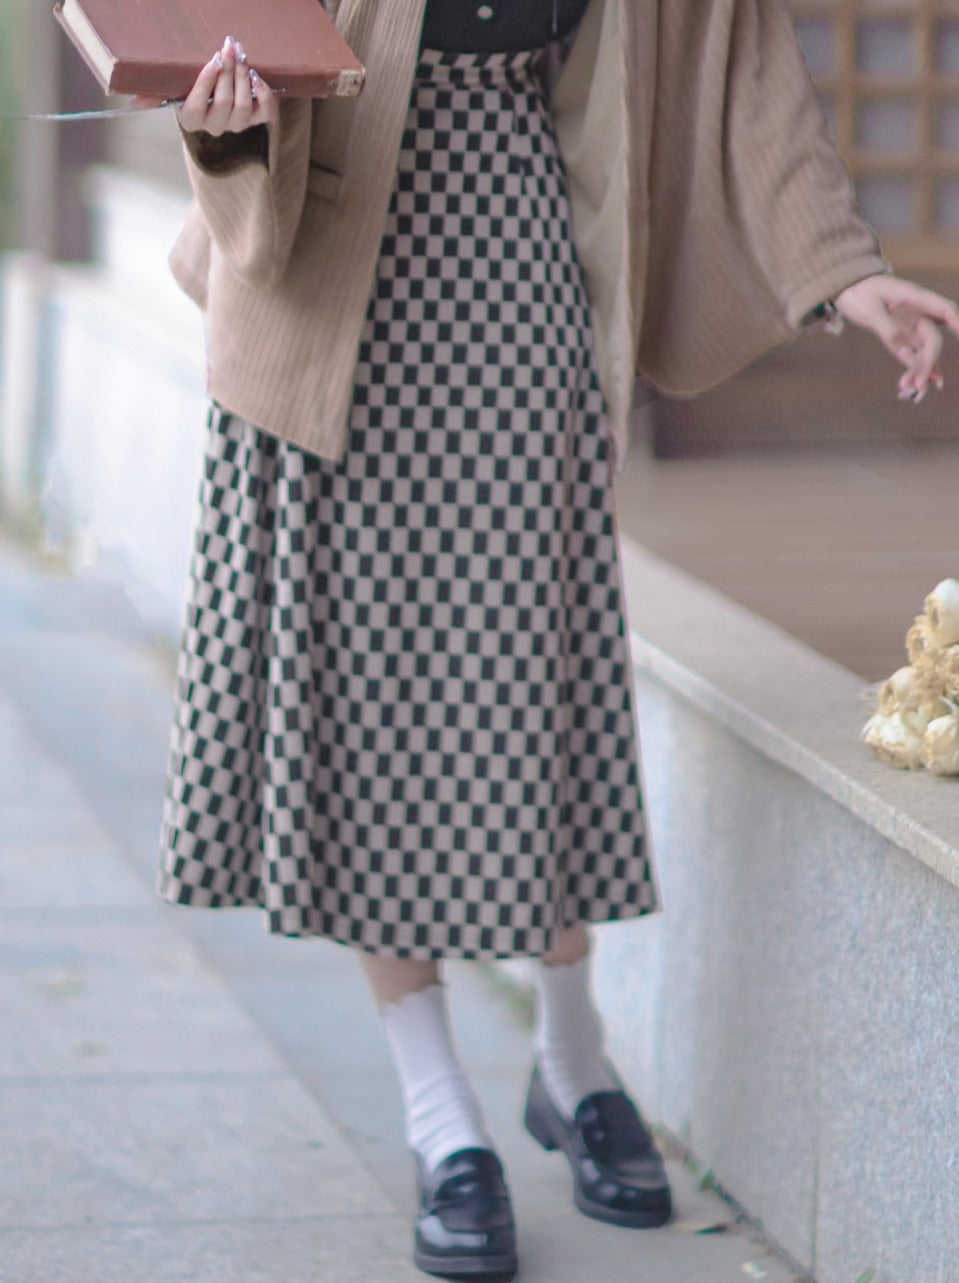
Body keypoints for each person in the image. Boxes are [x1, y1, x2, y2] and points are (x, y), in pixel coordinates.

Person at [146, 1, 959, 1279]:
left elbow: (740, 68)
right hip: (326, 260)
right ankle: (439, 1114)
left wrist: (840, 272)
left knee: (537, 673)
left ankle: (571, 1060)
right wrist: (225, 121)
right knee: (373, 701)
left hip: (521, 244)